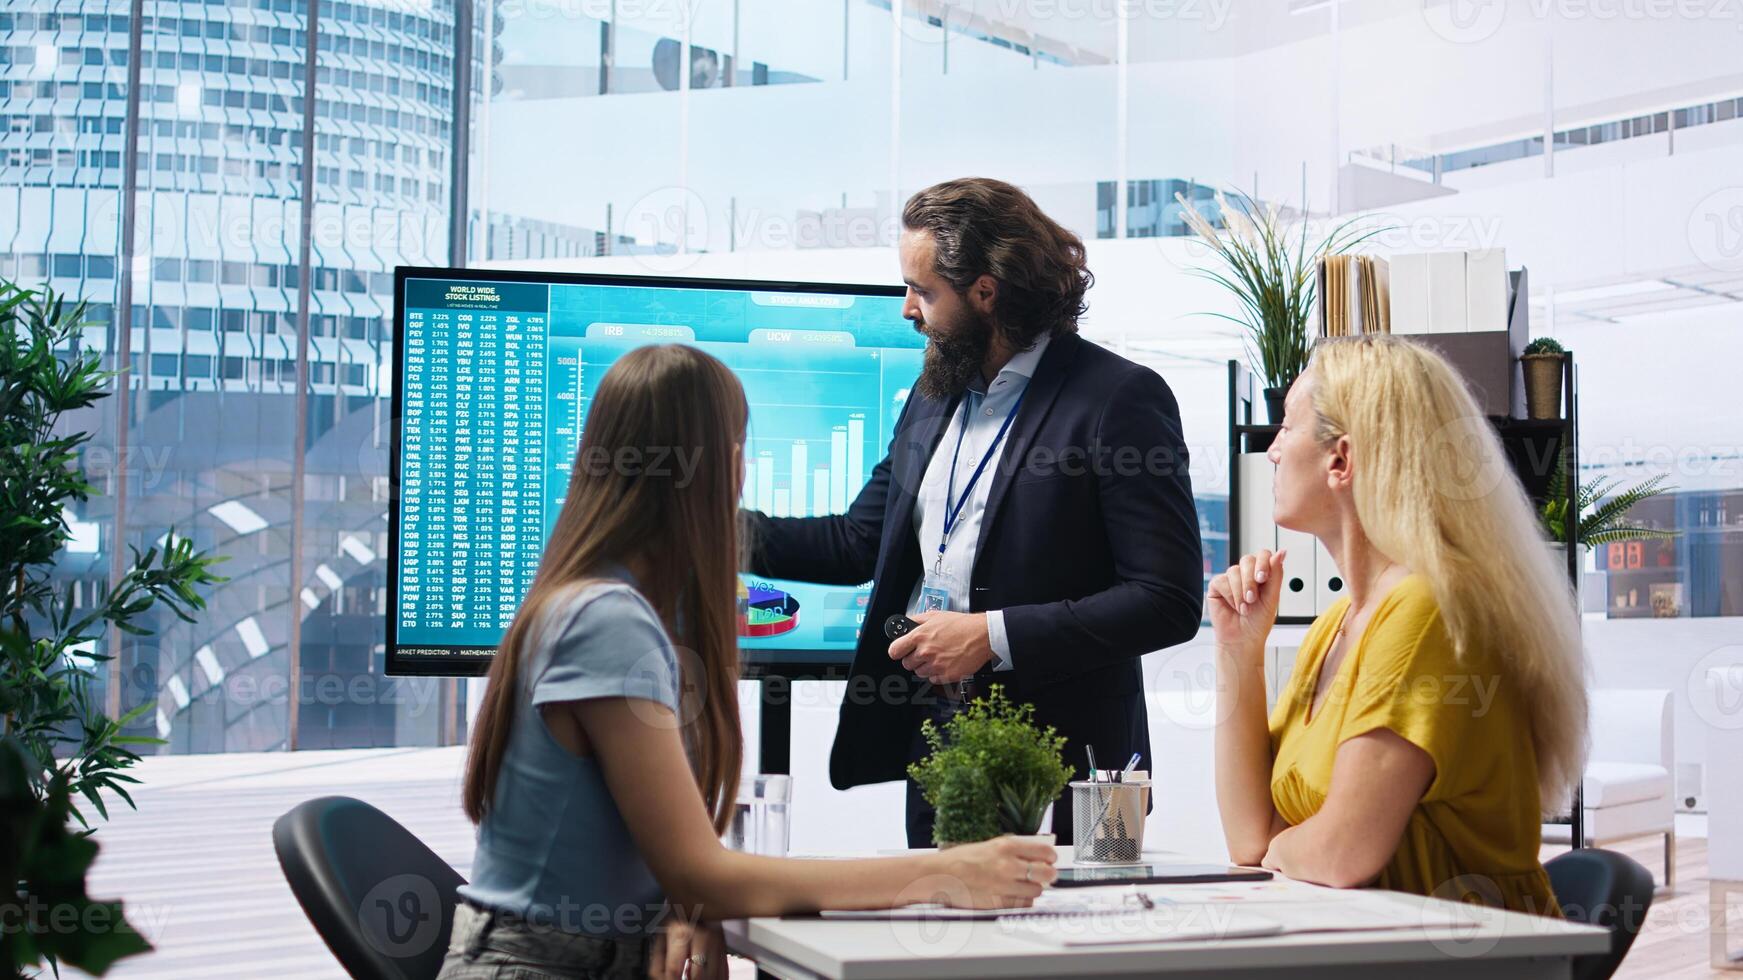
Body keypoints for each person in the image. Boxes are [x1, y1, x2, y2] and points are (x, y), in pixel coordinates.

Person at [439, 345, 1058, 980]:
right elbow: (701, 871)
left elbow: (674, 862)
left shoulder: (611, 604)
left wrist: (684, 904)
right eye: (738, 449)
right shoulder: (606, 622)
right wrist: (947, 872)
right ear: (714, 470)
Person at [744, 178, 1204, 847]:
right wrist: (706, 525)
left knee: (1059, 948)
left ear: (986, 292)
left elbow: (1165, 600)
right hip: (940, 747)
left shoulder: (1117, 399)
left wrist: (989, 635)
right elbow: (855, 542)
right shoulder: (934, 397)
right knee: (941, 939)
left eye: (922, 290)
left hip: (1068, 769)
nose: (906, 309)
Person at [1209, 335, 1587, 914]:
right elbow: (1248, 838)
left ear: (1342, 460)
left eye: (1286, 427)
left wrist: (1278, 850)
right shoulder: (1337, 625)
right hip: (1363, 942)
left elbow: (1342, 852)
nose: (1274, 450)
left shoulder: (1425, 609)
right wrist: (1239, 650)